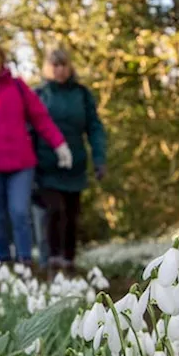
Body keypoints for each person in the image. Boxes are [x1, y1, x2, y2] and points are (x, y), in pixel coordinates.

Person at [0, 36, 72, 269]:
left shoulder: (17, 86)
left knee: (19, 212)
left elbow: (40, 118)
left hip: (21, 163)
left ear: (2, 59)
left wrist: (59, 144)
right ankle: (3, 262)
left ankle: (25, 262)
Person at [33, 48, 107, 275]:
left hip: (75, 165)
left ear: (70, 67)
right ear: (47, 68)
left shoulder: (82, 95)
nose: (59, 70)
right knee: (55, 210)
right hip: (46, 165)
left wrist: (99, 158)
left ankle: (69, 260)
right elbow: (29, 129)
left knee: (72, 214)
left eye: (63, 65)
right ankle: (52, 261)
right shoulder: (40, 95)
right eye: (54, 65)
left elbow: (94, 127)